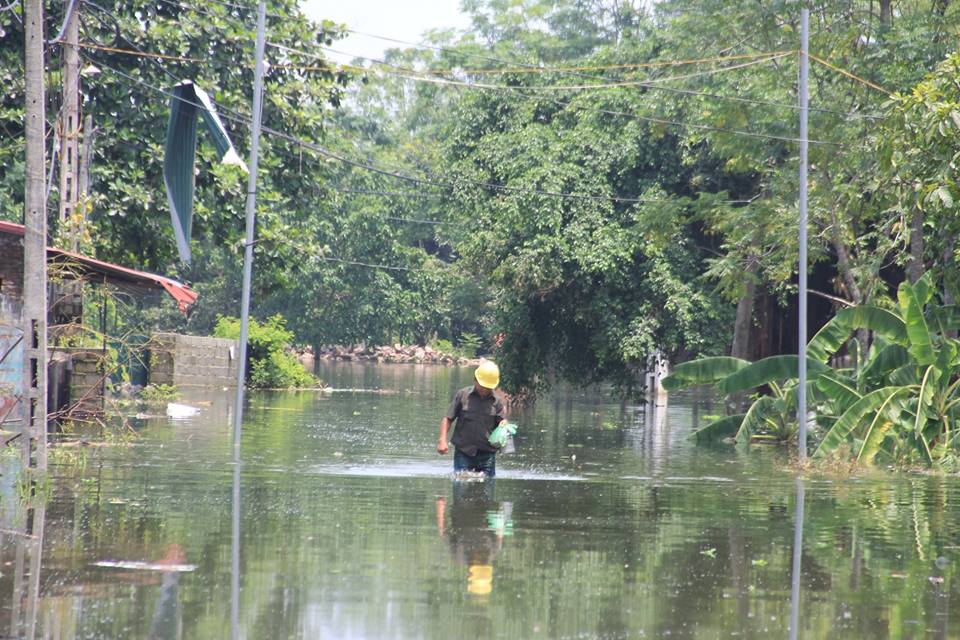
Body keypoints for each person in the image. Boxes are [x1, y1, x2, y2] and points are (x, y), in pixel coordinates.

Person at [437, 360, 507, 477]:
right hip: (464, 452)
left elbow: (501, 422)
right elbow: (448, 418)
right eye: (482, 386)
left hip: (487, 455)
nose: (484, 389)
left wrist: (504, 424)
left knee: (487, 489)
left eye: (487, 387)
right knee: (461, 488)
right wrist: (442, 440)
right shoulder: (463, 395)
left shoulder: (497, 402)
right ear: (475, 380)